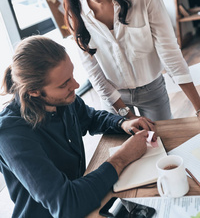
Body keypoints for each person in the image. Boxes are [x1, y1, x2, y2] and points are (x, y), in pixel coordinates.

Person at [0, 35, 156, 218]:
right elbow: (66, 204)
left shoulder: (62, 99)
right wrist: (121, 158)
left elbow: (91, 118)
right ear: (34, 91)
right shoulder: (11, 134)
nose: (76, 85)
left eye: (72, 75)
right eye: (64, 84)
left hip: (86, 200)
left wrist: (122, 122)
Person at [57, 0, 200, 123]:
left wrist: (198, 107)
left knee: (165, 144)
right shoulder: (74, 13)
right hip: (113, 97)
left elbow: (168, 50)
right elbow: (93, 71)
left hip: (152, 90)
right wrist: (127, 115)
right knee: (129, 146)